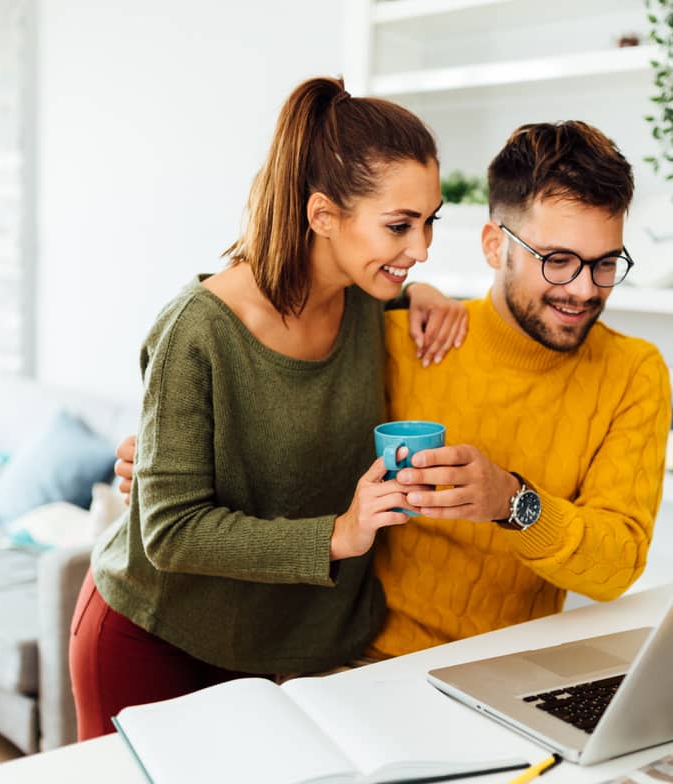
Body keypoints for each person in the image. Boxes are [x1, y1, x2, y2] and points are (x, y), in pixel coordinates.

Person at [115, 120, 671, 662]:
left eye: (605, 264)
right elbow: (280, 449)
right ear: (493, 245)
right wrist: (166, 459)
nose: (583, 289)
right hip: (358, 659)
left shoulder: (633, 373)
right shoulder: (395, 334)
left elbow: (617, 567)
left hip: (512, 667)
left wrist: (512, 502)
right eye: (558, 261)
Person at [68, 76, 467, 740]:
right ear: (322, 215)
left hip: (277, 655)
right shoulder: (197, 331)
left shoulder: (371, 299)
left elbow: (407, 281)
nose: (421, 247)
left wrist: (423, 292)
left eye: (429, 223)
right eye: (400, 225)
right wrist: (338, 535)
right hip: (154, 642)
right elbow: (170, 532)